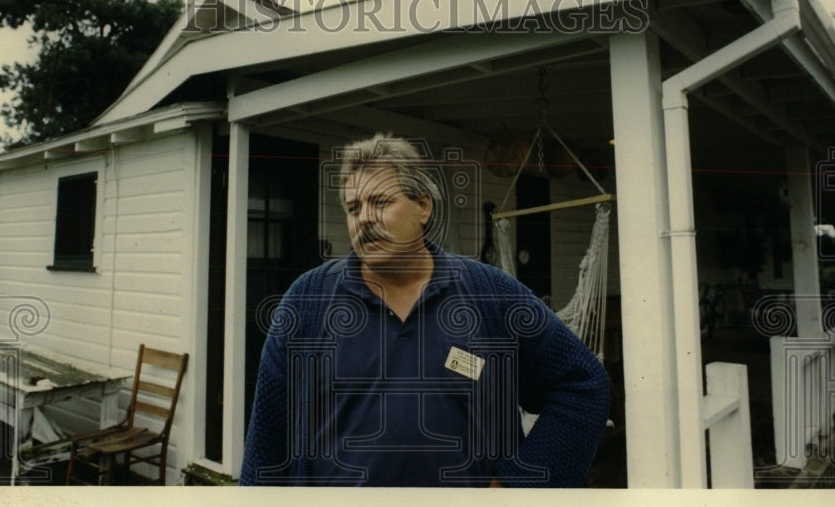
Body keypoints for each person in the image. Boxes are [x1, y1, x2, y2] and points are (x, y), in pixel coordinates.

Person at [240, 133, 609, 487]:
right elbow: (268, 440)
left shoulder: (491, 296)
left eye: (380, 202)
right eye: (354, 208)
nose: (364, 218)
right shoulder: (307, 301)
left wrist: (519, 484)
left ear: (423, 207)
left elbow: (582, 384)